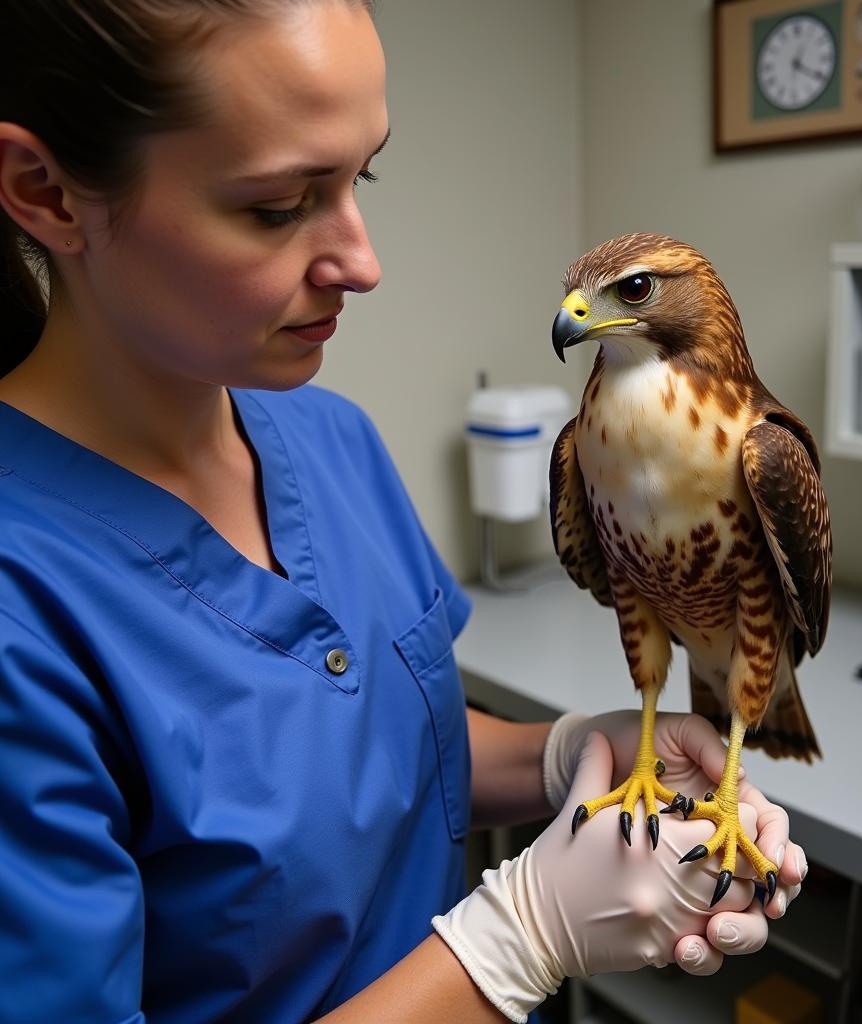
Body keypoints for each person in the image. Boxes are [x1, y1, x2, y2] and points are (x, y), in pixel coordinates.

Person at [0, 2, 807, 1021]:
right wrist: (518, 937)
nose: (364, 262)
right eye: (277, 204)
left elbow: (381, 744)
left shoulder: (328, 439)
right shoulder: (21, 605)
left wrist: (568, 753)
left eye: (359, 177)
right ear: (46, 193)